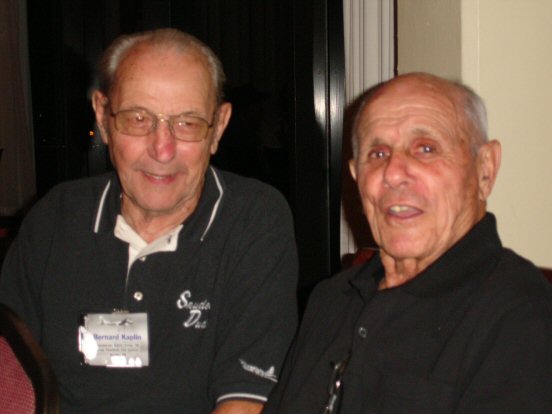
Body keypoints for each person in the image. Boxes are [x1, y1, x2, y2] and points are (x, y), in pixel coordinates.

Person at [0, 28, 298, 414]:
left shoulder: (253, 221)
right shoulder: (54, 219)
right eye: (138, 118)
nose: (162, 149)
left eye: (187, 123)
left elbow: (244, 403)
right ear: (103, 117)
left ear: (219, 126)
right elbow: (8, 377)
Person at [263, 73, 552, 413]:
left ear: (485, 169)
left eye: (426, 149)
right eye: (378, 154)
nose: (394, 173)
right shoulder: (331, 300)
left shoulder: (521, 317)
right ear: (357, 177)